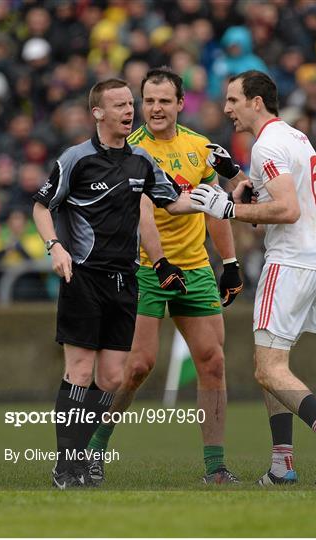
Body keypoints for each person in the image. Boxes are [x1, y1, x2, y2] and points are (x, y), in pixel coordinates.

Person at [190, 70, 316, 485]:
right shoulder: (295, 137)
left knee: (268, 371)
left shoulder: (266, 144)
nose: (227, 108)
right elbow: (281, 206)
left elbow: (287, 210)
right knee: (273, 363)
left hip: (290, 263)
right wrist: (245, 197)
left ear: (256, 102)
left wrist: (226, 210)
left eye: (233, 100)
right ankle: (282, 465)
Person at [33, 77, 195, 489]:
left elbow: (173, 200)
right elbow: (40, 206)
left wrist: (225, 199)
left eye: (130, 104)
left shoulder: (141, 160)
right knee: (80, 371)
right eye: (120, 105)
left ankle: (81, 457)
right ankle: (65, 467)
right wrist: (55, 246)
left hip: (126, 281)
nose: (129, 111)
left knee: (110, 379)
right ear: (98, 113)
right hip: (83, 276)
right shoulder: (76, 158)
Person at [86, 68, 243, 484]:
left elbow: (218, 206)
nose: (155, 108)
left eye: (163, 101)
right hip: (142, 268)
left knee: (213, 361)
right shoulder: (130, 150)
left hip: (195, 268)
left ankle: (216, 468)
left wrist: (229, 264)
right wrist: (158, 263)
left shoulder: (199, 148)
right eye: (148, 101)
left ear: (179, 104)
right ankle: (93, 450)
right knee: (138, 366)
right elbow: (142, 218)